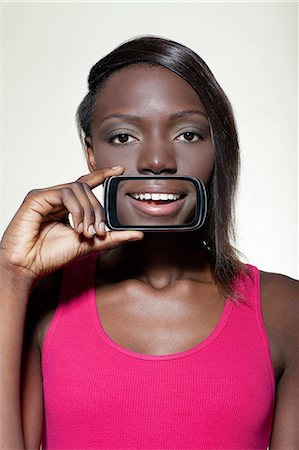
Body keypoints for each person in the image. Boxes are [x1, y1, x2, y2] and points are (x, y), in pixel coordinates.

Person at [0, 36, 298, 450]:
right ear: (91, 154)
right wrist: (11, 275)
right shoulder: (44, 300)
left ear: (218, 149)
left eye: (189, 134)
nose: (158, 161)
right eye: (123, 137)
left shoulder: (285, 310)